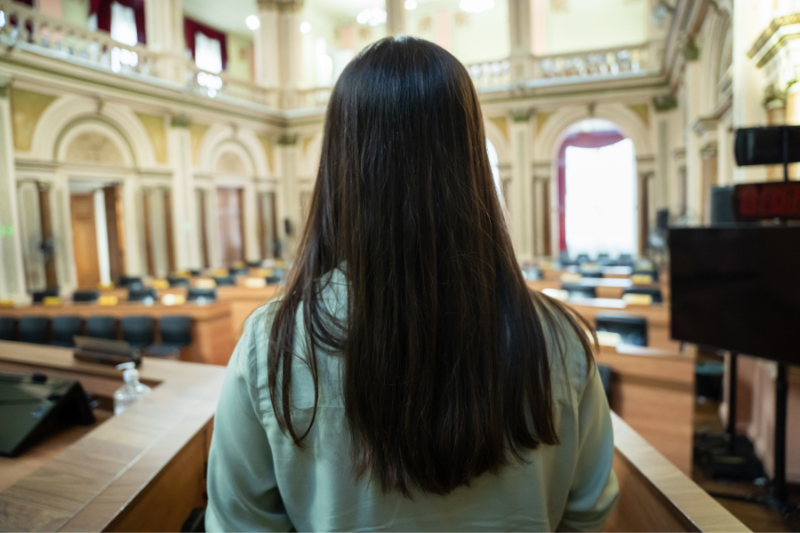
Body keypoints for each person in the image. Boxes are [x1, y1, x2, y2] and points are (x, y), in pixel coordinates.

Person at [206, 36, 617, 532]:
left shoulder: (270, 344)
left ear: (340, 168)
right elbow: (590, 517)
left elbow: (239, 524)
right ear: (470, 165)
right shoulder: (561, 341)